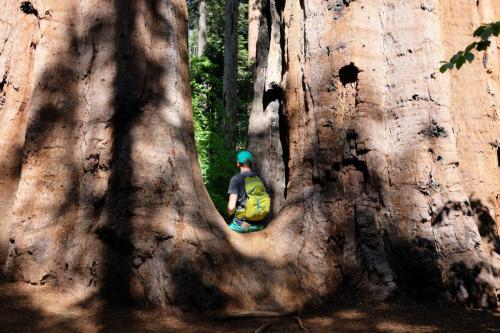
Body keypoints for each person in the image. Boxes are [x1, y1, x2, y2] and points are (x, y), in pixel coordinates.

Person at [227, 150, 270, 233]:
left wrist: (229, 215)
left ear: (238, 164)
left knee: (223, 235)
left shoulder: (236, 179)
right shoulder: (260, 179)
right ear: (252, 163)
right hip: (260, 225)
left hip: (243, 225)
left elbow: (231, 208)